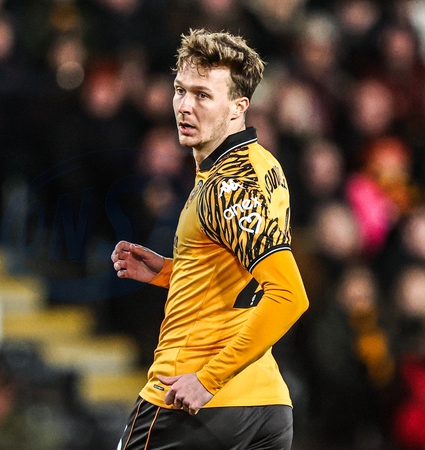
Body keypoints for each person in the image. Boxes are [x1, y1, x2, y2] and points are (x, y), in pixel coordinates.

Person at [110, 29, 309, 449]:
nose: (185, 106)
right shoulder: (263, 165)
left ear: (239, 107)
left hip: (193, 398)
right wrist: (171, 272)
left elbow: (289, 295)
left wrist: (207, 380)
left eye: (203, 95)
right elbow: (242, 275)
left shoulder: (227, 187)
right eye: (180, 90)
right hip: (266, 404)